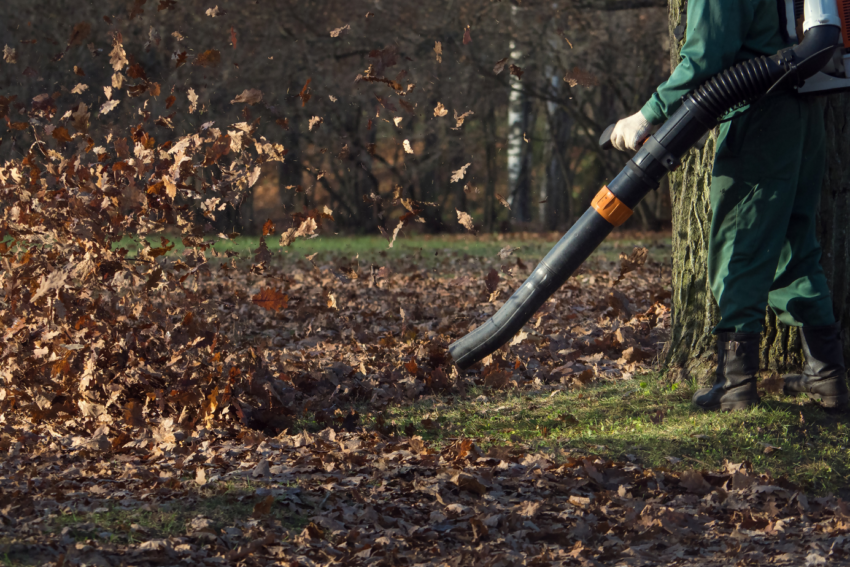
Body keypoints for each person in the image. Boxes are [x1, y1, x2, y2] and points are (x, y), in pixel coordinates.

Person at [610, 0, 848, 411]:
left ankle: (736, 385)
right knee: (794, 246)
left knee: (740, 246)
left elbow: (705, 57)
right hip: (804, 112)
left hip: (760, 115)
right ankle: (827, 378)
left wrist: (648, 114)